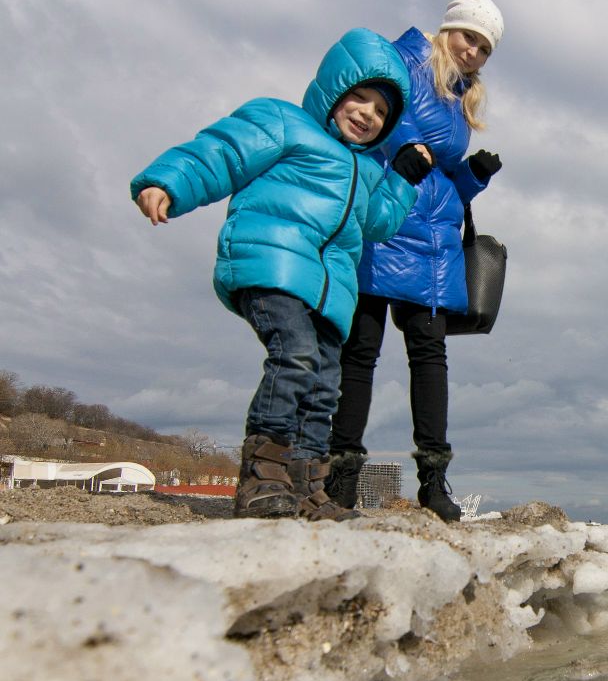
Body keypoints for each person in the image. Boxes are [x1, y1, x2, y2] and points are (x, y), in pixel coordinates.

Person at [130, 28, 436, 521]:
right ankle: (261, 476)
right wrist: (168, 181)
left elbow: (378, 222)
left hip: (329, 291)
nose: (367, 114)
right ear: (333, 89)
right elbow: (221, 153)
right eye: (359, 97)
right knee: (293, 356)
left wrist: (401, 179)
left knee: (323, 388)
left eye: (382, 112)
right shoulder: (285, 122)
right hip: (272, 263)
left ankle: (305, 485)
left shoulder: (367, 170)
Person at [325, 0, 505, 521]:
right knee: (359, 353)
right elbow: (366, 132)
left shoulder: (463, 97)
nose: (473, 50)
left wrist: (472, 176)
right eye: (469, 36)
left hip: (432, 245)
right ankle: (340, 481)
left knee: (429, 359)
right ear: (448, 28)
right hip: (382, 223)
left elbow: (442, 179)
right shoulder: (397, 63)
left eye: (485, 47)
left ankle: (433, 483)